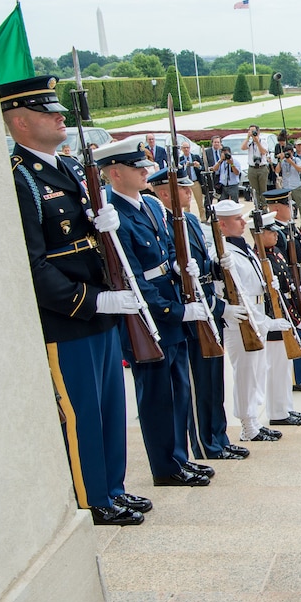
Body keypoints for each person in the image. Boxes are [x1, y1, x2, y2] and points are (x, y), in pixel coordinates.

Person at [0, 75, 149, 526]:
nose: (61, 116)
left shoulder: (64, 168)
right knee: (82, 412)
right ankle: (92, 498)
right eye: (49, 112)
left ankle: (114, 487)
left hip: (101, 309)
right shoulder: (20, 178)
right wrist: (92, 301)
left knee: (110, 409)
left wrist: (104, 226)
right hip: (70, 317)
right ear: (21, 122)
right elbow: (32, 264)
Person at [95, 139, 215, 488]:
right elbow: (129, 275)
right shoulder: (115, 214)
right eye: (137, 167)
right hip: (150, 318)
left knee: (178, 390)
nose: (146, 170)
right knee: (158, 395)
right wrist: (174, 310)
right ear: (115, 173)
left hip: (171, 306)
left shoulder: (148, 203)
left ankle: (179, 457)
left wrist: (180, 269)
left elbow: (163, 250)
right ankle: (165, 467)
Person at [148, 168, 250, 462]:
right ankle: (206, 444)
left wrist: (218, 265)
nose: (191, 194)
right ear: (165, 193)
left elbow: (202, 268)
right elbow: (178, 277)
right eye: (183, 189)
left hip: (208, 309)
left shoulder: (191, 221)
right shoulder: (165, 225)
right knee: (199, 386)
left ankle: (219, 436)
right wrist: (216, 307)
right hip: (194, 312)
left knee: (214, 381)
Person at [213, 201, 289, 442]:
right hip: (241, 321)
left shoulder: (244, 248)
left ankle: (255, 420)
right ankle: (247, 426)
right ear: (222, 225)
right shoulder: (223, 253)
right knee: (246, 374)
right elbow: (228, 290)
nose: (243, 222)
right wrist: (264, 322)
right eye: (237, 219)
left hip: (256, 315)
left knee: (258, 370)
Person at [256, 217, 301, 428]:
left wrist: (296, 317)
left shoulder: (275, 253)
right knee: (276, 368)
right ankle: (277, 412)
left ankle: (285, 407)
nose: (276, 235)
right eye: (271, 232)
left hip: (285, 317)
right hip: (274, 320)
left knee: (284, 367)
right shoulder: (260, 258)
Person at [265, 189, 301, 394]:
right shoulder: (277, 233)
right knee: (296, 334)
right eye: (288, 205)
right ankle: (298, 376)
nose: (292, 208)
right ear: (276, 208)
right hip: (291, 292)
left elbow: (299, 260)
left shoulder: (290, 229)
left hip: (299, 288)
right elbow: (285, 268)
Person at [240, 124, 270, 199]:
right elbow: (243, 147)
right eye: (250, 131)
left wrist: (257, 142)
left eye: (254, 131)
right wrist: (248, 137)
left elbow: (263, 152)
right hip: (252, 168)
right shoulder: (250, 143)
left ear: (258, 132)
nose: (252, 132)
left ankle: (264, 206)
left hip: (262, 168)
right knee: (254, 189)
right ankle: (257, 205)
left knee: (263, 189)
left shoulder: (263, 141)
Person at [176, 141, 205, 217]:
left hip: (195, 182)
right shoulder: (180, 159)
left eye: (187, 147)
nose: (186, 149)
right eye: (184, 148)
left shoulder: (196, 157)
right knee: (186, 203)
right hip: (186, 183)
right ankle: (187, 217)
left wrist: (198, 166)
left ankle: (203, 218)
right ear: (182, 149)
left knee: (200, 202)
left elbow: (203, 168)